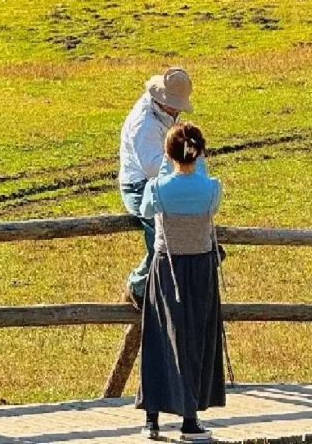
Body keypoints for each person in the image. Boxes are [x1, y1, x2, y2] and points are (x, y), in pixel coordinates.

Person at [137, 122, 225, 443]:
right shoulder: (212, 188)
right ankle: (190, 419)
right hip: (200, 267)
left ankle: (152, 419)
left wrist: (168, 160)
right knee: (196, 340)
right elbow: (206, 194)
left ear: (168, 153)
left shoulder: (157, 189)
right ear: (200, 151)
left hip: (166, 268)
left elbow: (146, 209)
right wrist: (193, 159)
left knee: (160, 341)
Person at [119, 68, 193, 304]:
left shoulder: (161, 111)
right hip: (138, 184)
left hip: (159, 181)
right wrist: (183, 160)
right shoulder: (145, 124)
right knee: (161, 234)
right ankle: (139, 285)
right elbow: (152, 167)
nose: (178, 109)